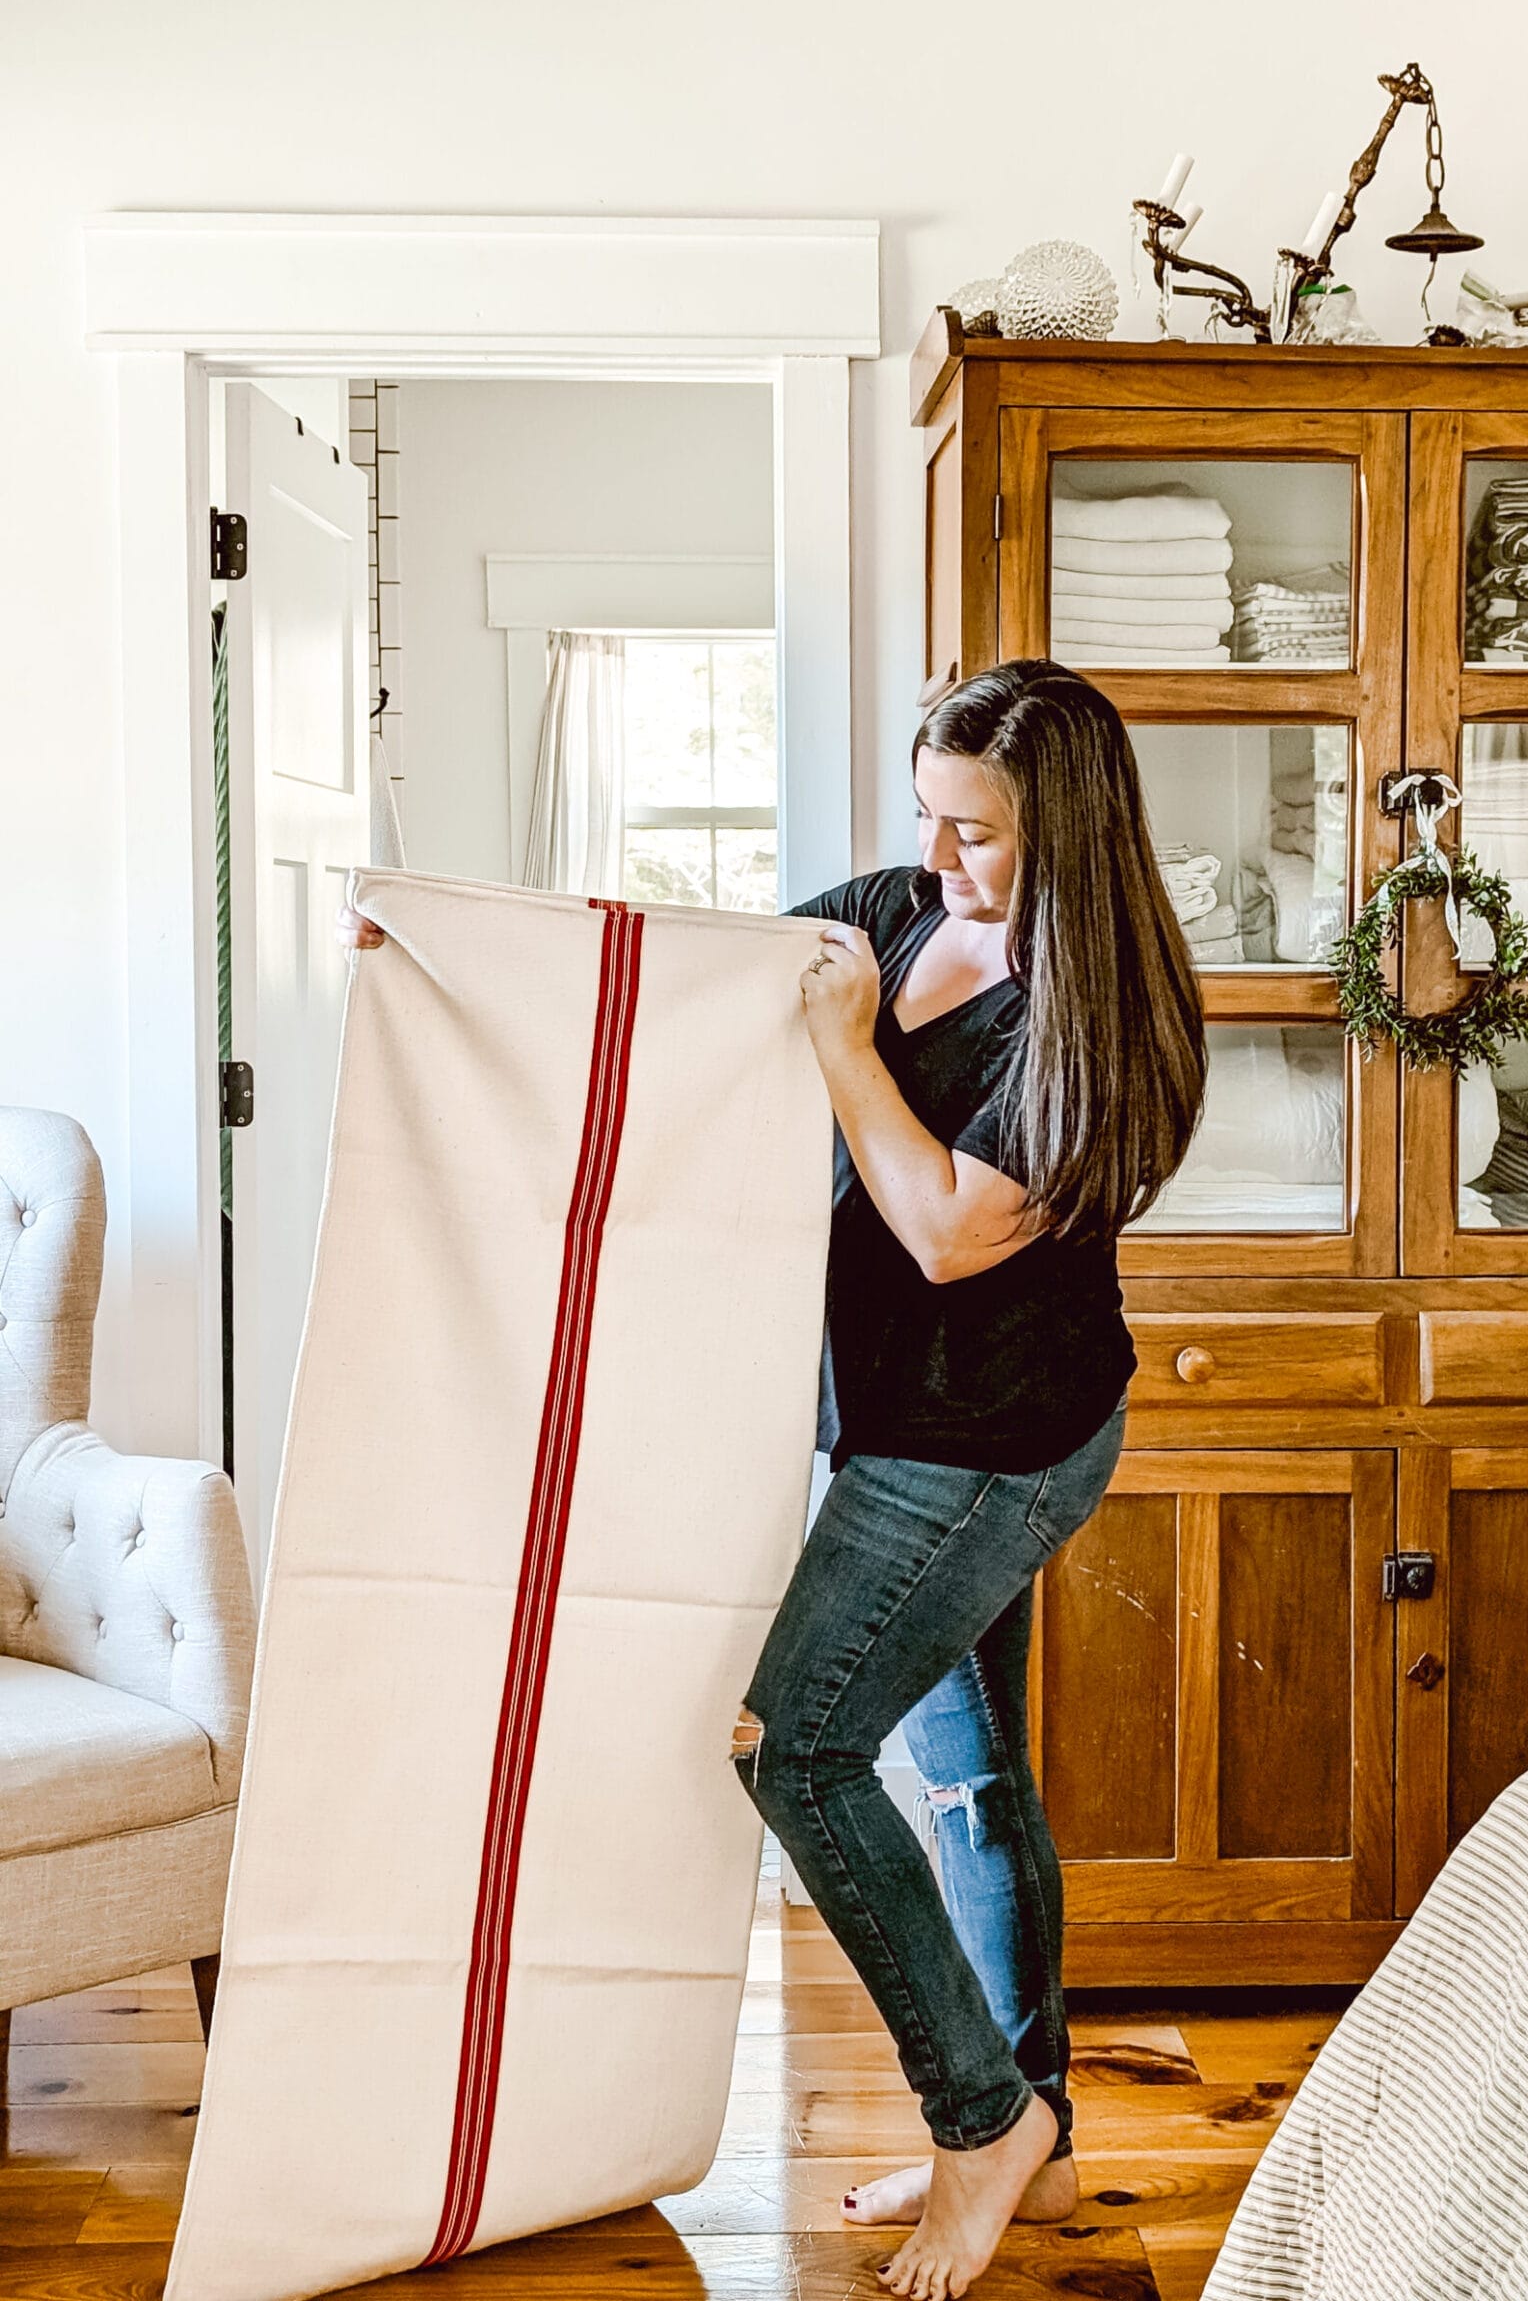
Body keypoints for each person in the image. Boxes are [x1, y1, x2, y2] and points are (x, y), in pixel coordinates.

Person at [339, 658, 1207, 2301]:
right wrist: (450, 961)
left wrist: (846, 1051)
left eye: (984, 836)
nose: (942, 862)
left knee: (796, 1747)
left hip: (991, 1444)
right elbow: (682, 978)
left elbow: (950, 1227)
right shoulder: (891, 909)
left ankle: (979, 2124)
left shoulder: (1113, 1019)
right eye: (932, 818)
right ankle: (1044, 2129)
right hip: (883, 1420)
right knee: (972, 1782)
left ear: (1073, 830)